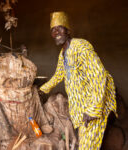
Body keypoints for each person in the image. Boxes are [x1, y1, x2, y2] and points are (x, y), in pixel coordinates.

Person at [40, 11, 117, 150]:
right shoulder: (63, 54)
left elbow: (99, 75)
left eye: (59, 27)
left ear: (68, 30)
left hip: (92, 107)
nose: (56, 31)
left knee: (88, 147)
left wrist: (93, 109)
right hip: (82, 110)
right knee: (87, 146)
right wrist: (41, 89)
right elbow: (59, 74)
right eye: (53, 29)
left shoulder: (80, 46)